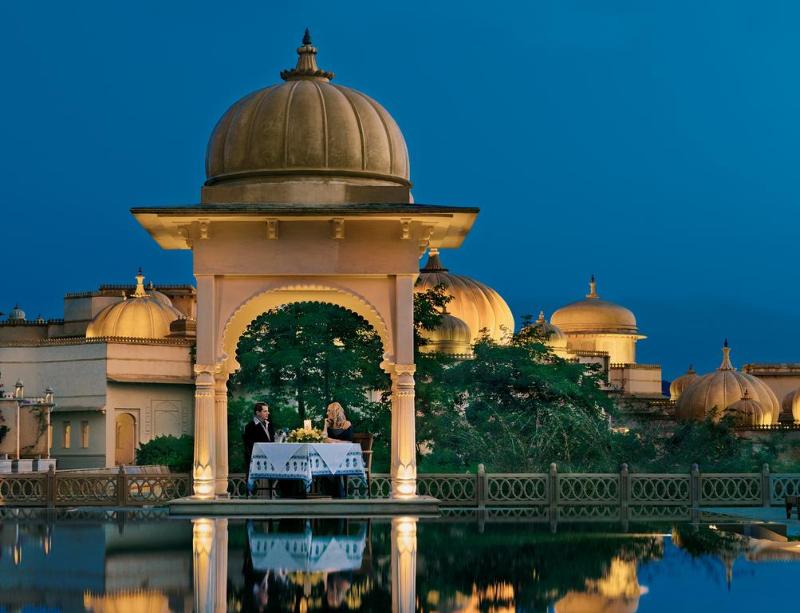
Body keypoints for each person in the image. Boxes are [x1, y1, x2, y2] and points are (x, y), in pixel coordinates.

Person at [243, 402, 275, 496]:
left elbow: (272, 441)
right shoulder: (250, 426)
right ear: (258, 413)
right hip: (257, 458)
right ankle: (250, 492)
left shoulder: (269, 425)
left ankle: (283, 493)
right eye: (265, 411)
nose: (268, 413)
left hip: (270, 457)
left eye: (267, 411)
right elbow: (249, 445)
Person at [324, 402, 353, 498]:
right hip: (332, 456)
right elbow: (324, 439)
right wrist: (325, 425)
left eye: (329, 411)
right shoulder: (329, 426)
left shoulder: (346, 424)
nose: (327, 413)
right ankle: (335, 495)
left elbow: (348, 442)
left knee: (332, 466)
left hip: (345, 456)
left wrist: (331, 440)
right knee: (328, 465)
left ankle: (338, 495)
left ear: (334, 412)